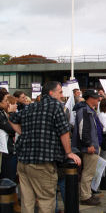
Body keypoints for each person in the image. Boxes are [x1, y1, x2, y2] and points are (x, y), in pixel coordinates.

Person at [9, 81, 81, 212]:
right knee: (46, 200)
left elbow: (12, 118)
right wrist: (69, 152)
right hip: (43, 162)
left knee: (27, 201)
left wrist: (25, 133)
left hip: (24, 161)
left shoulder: (31, 107)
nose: (62, 95)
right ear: (51, 93)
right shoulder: (56, 106)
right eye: (60, 92)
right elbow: (64, 131)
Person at [72, 89, 102, 206]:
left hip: (92, 145)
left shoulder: (88, 110)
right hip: (89, 147)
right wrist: (88, 144)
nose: (98, 100)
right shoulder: (85, 111)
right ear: (90, 98)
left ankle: (87, 193)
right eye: (95, 98)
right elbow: (83, 129)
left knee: (89, 172)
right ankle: (85, 196)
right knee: (88, 172)